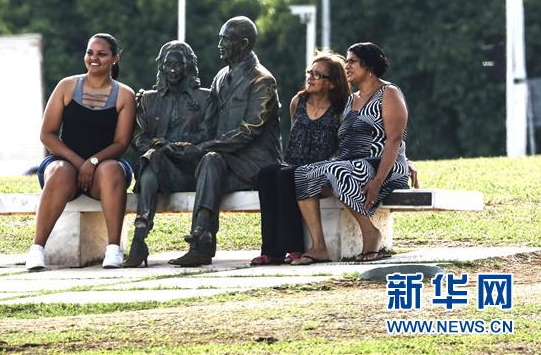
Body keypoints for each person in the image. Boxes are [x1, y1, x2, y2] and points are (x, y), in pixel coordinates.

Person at [136, 17, 283, 267]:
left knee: (210, 159)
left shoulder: (262, 81)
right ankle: (199, 241)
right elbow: (209, 126)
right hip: (223, 160)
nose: (220, 44)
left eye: (226, 39)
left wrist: (203, 147)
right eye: (220, 38)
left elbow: (248, 131)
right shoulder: (220, 76)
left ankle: (201, 242)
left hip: (255, 165)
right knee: (206, 160)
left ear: (244, 43)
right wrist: (182, 147)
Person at [292, 42, 413, 264]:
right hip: (349, 164)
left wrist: (378, 180)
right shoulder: (350, 100)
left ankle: (370, 232)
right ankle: (319, 246)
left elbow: (395, 139)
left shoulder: (389, 93)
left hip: (381, 166)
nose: (346, 66)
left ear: (368, 65)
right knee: (303, 173)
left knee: (338, 171)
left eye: (352, 61)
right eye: (346, 61)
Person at [26, 33, 135, 271]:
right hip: (65, 163)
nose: (94, 58)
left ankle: (113, 249)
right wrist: (79, 162)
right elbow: (47, 134)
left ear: (115, 58)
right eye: (90, 52)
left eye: (102, 54)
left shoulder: (125, 95)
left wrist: (94, 161)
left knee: (111, 170)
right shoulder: (66, 87)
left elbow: (121, 143)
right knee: (60, 171)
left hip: (105, 166)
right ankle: (36, 250)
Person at [250, 52, 348, 266]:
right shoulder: (299, 101)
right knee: (267, 174)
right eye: (309, 73)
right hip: (293, 163)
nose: (310, 78)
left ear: (332, 84)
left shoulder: (340, 110)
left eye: (317, 75)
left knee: (287, 176)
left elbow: (344, 147)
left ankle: (294, 248)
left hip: (317, 171)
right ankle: (271, 251)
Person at [123, 41, 211, 267]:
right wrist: (157, 144)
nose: (172, 70)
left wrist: (178, 147)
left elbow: (210, 136)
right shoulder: (149, 99)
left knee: (153, 158)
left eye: (178, 65)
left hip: (194, 172)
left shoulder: (205, 98)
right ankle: (140, 239)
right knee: (153, 156)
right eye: (167, 64)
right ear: (161, 67)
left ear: (188, 67)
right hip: (161, 170)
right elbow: (138, 138)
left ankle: (139, 240)